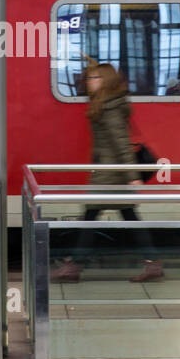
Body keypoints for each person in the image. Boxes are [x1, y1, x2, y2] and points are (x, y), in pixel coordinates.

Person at [53, 63, 159, 284]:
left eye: (94, 77)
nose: (88, 81)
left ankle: (73, 266)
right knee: (127, 217)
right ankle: (152, 263)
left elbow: (121, 143)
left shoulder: (110, 108)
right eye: (89, 77)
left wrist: (132, 173)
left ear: (106, 80)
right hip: (110, 171)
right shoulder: (105, 104)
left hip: (111, 173)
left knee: (90, 217)